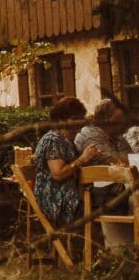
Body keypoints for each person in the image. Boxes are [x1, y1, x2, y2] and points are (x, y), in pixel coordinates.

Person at [33, 96, 100, 228]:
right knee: (103, 200)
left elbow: (72, 167)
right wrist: (82, 159)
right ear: (61, 120)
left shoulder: (66, 140)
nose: (78, 123)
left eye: (80, 118)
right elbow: (58, 174)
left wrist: (89, 158)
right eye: (74, 119)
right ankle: (90, 244)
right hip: (55, 198)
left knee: (109, 195)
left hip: (69, 193)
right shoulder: (53, 140)